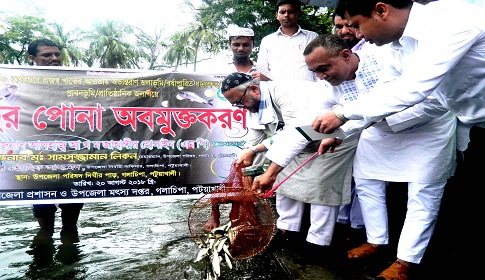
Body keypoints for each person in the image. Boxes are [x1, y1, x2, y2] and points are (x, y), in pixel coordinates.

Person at [312, 0, 485, 142]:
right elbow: (385, 90)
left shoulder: (451, 20)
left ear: (381, 10)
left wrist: (342, 114)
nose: (358, 35)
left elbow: (412, 88)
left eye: (357, 25)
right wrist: (345, 130)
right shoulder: (397, 44)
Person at [28, 38, 84, 241]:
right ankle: (44, 255)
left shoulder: (76, 82)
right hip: (38, 160)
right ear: (33, 58)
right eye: (47, 55)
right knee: (44, 218)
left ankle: (70, 258)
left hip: (71, 158)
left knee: (71, 220)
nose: (54, 58)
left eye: (57, 54)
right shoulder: (21, 84)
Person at [254, 0, 318, 82]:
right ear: (277, 15)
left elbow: (319, 66)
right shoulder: (267, 41)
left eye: (291, 12)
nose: (286, 15)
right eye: (282, 12)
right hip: (276, 91)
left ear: (299, 14)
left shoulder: (312, 37)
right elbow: (262, 70)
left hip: (308, 90)